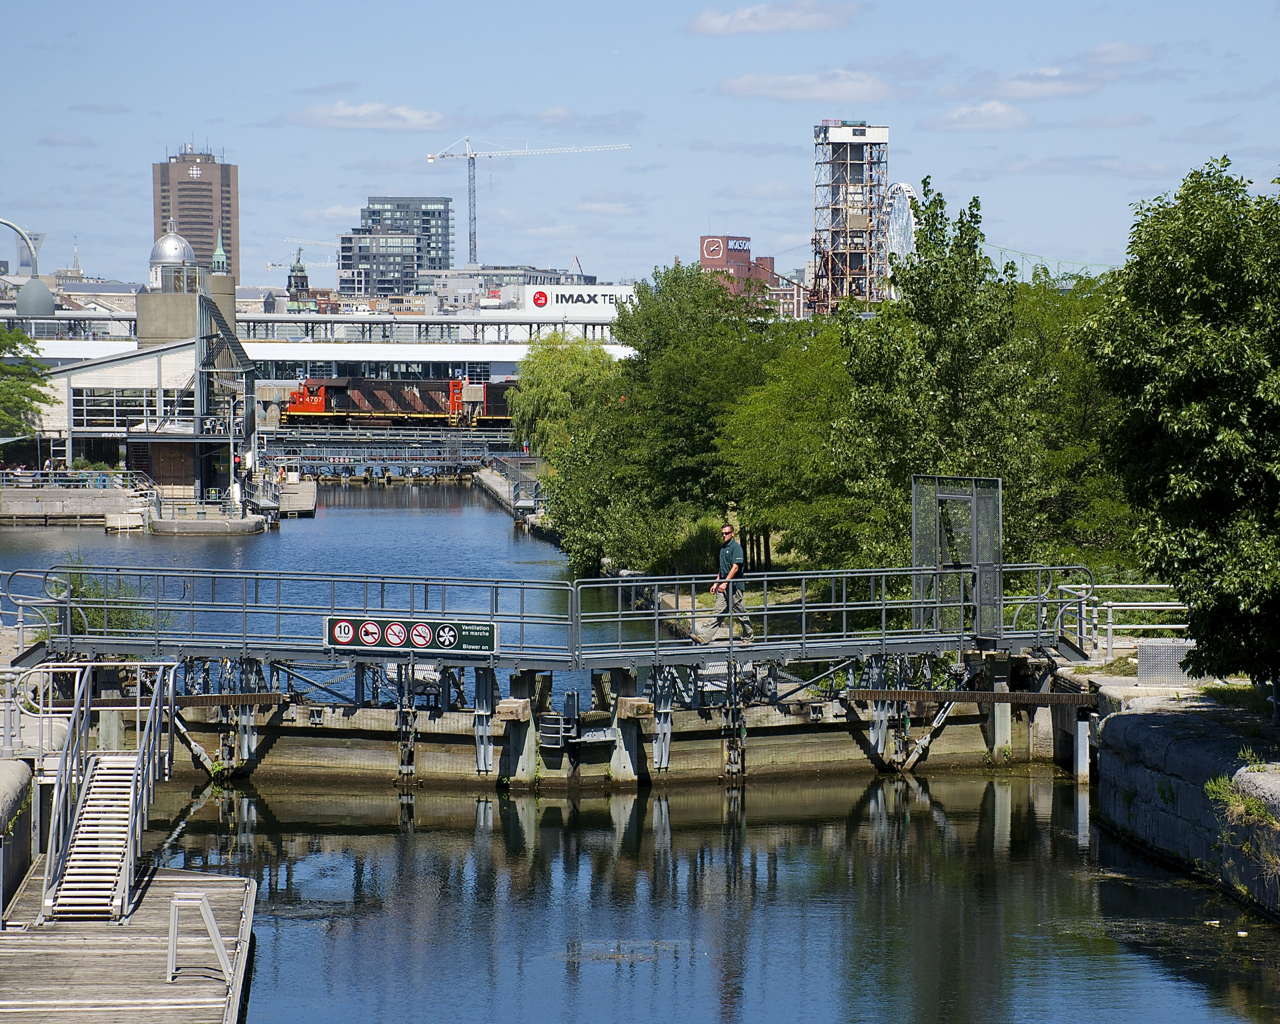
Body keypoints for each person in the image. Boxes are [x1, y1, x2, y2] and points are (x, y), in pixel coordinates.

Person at [696, 523, 753, 643]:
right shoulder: (723, 549)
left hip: (734, 586)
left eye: (726, 533)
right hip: (723, 586)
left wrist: (725, 583)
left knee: (740, 612)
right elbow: (722, 569)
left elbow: (735, 567)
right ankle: (705, 637)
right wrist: (716, 583)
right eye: (722, 533)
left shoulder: (736, 548)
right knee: (718, 611)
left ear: (732, 534)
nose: (724, 535)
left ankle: (749, 636)